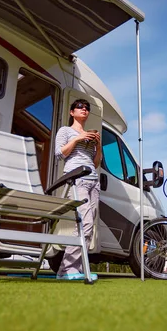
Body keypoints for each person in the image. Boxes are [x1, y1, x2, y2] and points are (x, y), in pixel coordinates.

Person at [54, 99, 102, 281]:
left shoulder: (89, 135)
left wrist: (97, 146)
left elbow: (96, 163)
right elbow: (60, 154)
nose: (84, 110)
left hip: (93, 181)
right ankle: (67, 270)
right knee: (85, 223)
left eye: (87, 108)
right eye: (80, 107)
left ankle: (74, 269)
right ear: (72, 112)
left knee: (87, 227)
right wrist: (77, 138)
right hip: (77, 178)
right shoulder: (65, 131)